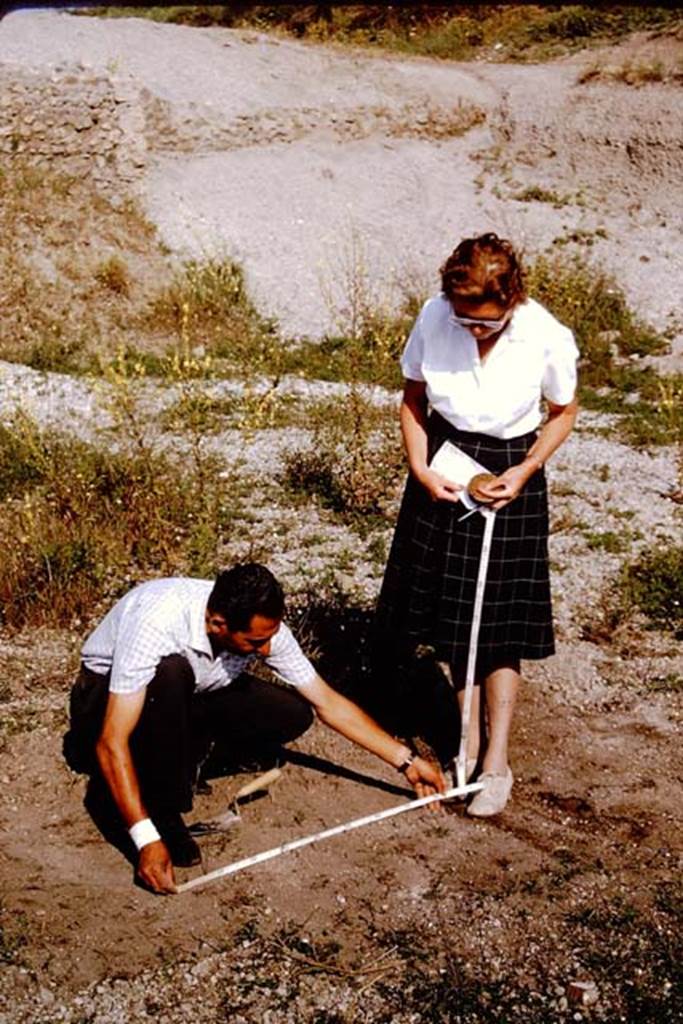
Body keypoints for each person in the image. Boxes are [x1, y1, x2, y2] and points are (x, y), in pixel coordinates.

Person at [64, 563, 445, 895]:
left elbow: (326, 702)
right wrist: (144, 838)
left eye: (270, 638)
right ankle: (161, 807)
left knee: (291, 713)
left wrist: (406, 760)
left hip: (189, 693)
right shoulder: (157, 622)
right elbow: (111, 740)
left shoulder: (260, 624)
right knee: (170, 673)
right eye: (255, 642)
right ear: (218, 624)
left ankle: (182, 757)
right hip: (104, 702)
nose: (266, 651)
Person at [372, 232, 578, 817]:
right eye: (464, 321)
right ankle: (463, 742)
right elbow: (414, 399)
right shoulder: (437, 316)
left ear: (511, 300)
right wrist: (419, 467)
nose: (472, 332)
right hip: (447, 463)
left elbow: (564, 411)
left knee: (502, 623)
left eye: (485, 324)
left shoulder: (545, 333)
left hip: (512, 466)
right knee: (454, 615)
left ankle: (496, 762)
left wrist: (527, 468)